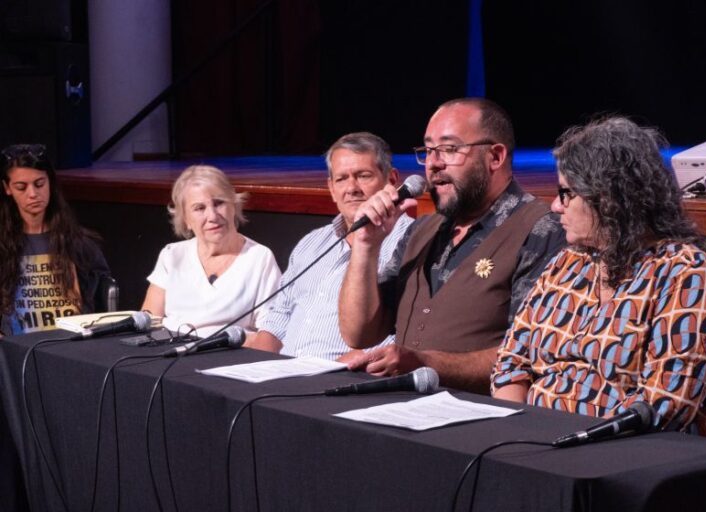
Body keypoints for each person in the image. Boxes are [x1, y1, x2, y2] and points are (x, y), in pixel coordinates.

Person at [492, 116, 706, 439]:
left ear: (609, 199)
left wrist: (565, 445)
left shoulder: (686, 274)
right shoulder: (566, 265)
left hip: (643, 461)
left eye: (566, 193)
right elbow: (510, 366)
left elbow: (659, 408)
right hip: (543, 446)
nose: (554, 206)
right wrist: (523, 435)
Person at [339, 98, 566, 393]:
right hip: (399, 408)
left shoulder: (540, 229)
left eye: (449, 149)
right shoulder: (421, 230)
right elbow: (359, 333)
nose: (433, 163)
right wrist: (366, 246)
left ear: (495, 157)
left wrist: (426, 363)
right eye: (429, 150)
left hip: (475, 420)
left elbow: (526, 353)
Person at [244, 132, 413, 361]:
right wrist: (252, 366)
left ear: (391, 180)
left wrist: (332, 373)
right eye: (341, 179)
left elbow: (407, 332)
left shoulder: (412, 240)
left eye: (363, 176)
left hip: (347, 381)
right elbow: (278, 317)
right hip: (283, 376)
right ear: (331, 188)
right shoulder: (312, 243)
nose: (352, 188)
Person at [141, 165, 281, 338]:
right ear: (185, 219)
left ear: (234, 206)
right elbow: (149, 321)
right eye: (199, 208)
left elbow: (270, 334)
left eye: (219, 203)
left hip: (230, 358)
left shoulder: (259, 258)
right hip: (171, 353)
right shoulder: (172, 255)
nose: (213, 216)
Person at [0, 144, 111, 336]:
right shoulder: (3, 244)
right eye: (21, 187)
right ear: (7, 188)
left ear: (50, 182)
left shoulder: (80, 244)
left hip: (69, 348)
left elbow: (104, 301)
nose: (33, 194)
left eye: (39, 184)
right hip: (13, 351)